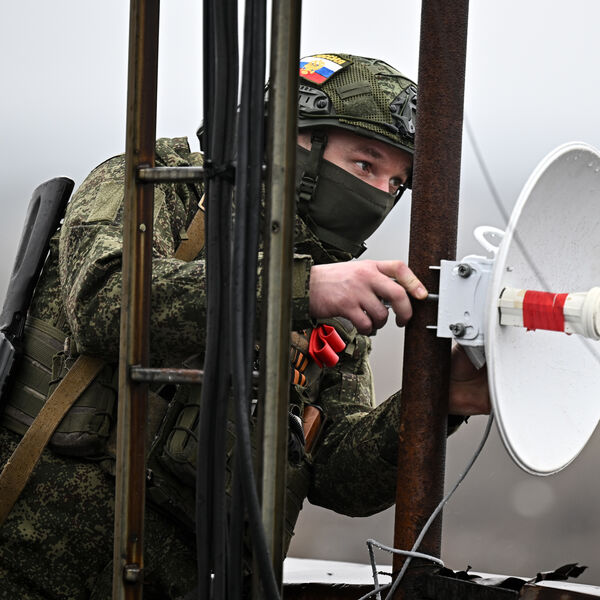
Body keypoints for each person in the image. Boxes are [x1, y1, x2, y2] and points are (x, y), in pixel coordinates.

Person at [0, 53, 489, 598]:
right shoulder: (162, 186)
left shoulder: (334, 307)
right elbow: (103, 300)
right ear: (288, 138)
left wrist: (435, 400)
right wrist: (295, 289)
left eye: (397, 183)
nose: (379, 195)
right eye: (364, 166)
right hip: (33, 566)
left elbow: (340, 478)